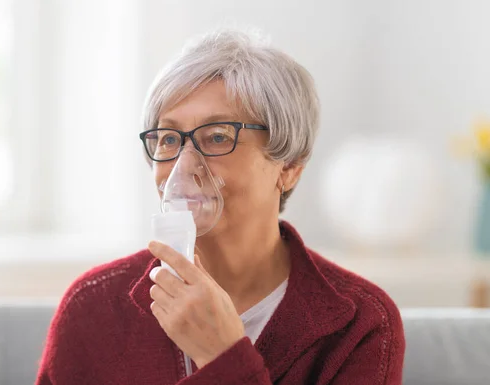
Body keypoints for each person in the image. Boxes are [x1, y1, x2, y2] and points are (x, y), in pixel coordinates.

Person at [36, 29, 405, 385]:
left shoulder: (360, 325)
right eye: (168, 139)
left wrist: (223, 357)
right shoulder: (95, 308)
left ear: (289, 167)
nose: (184, 165)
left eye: (217, 137)